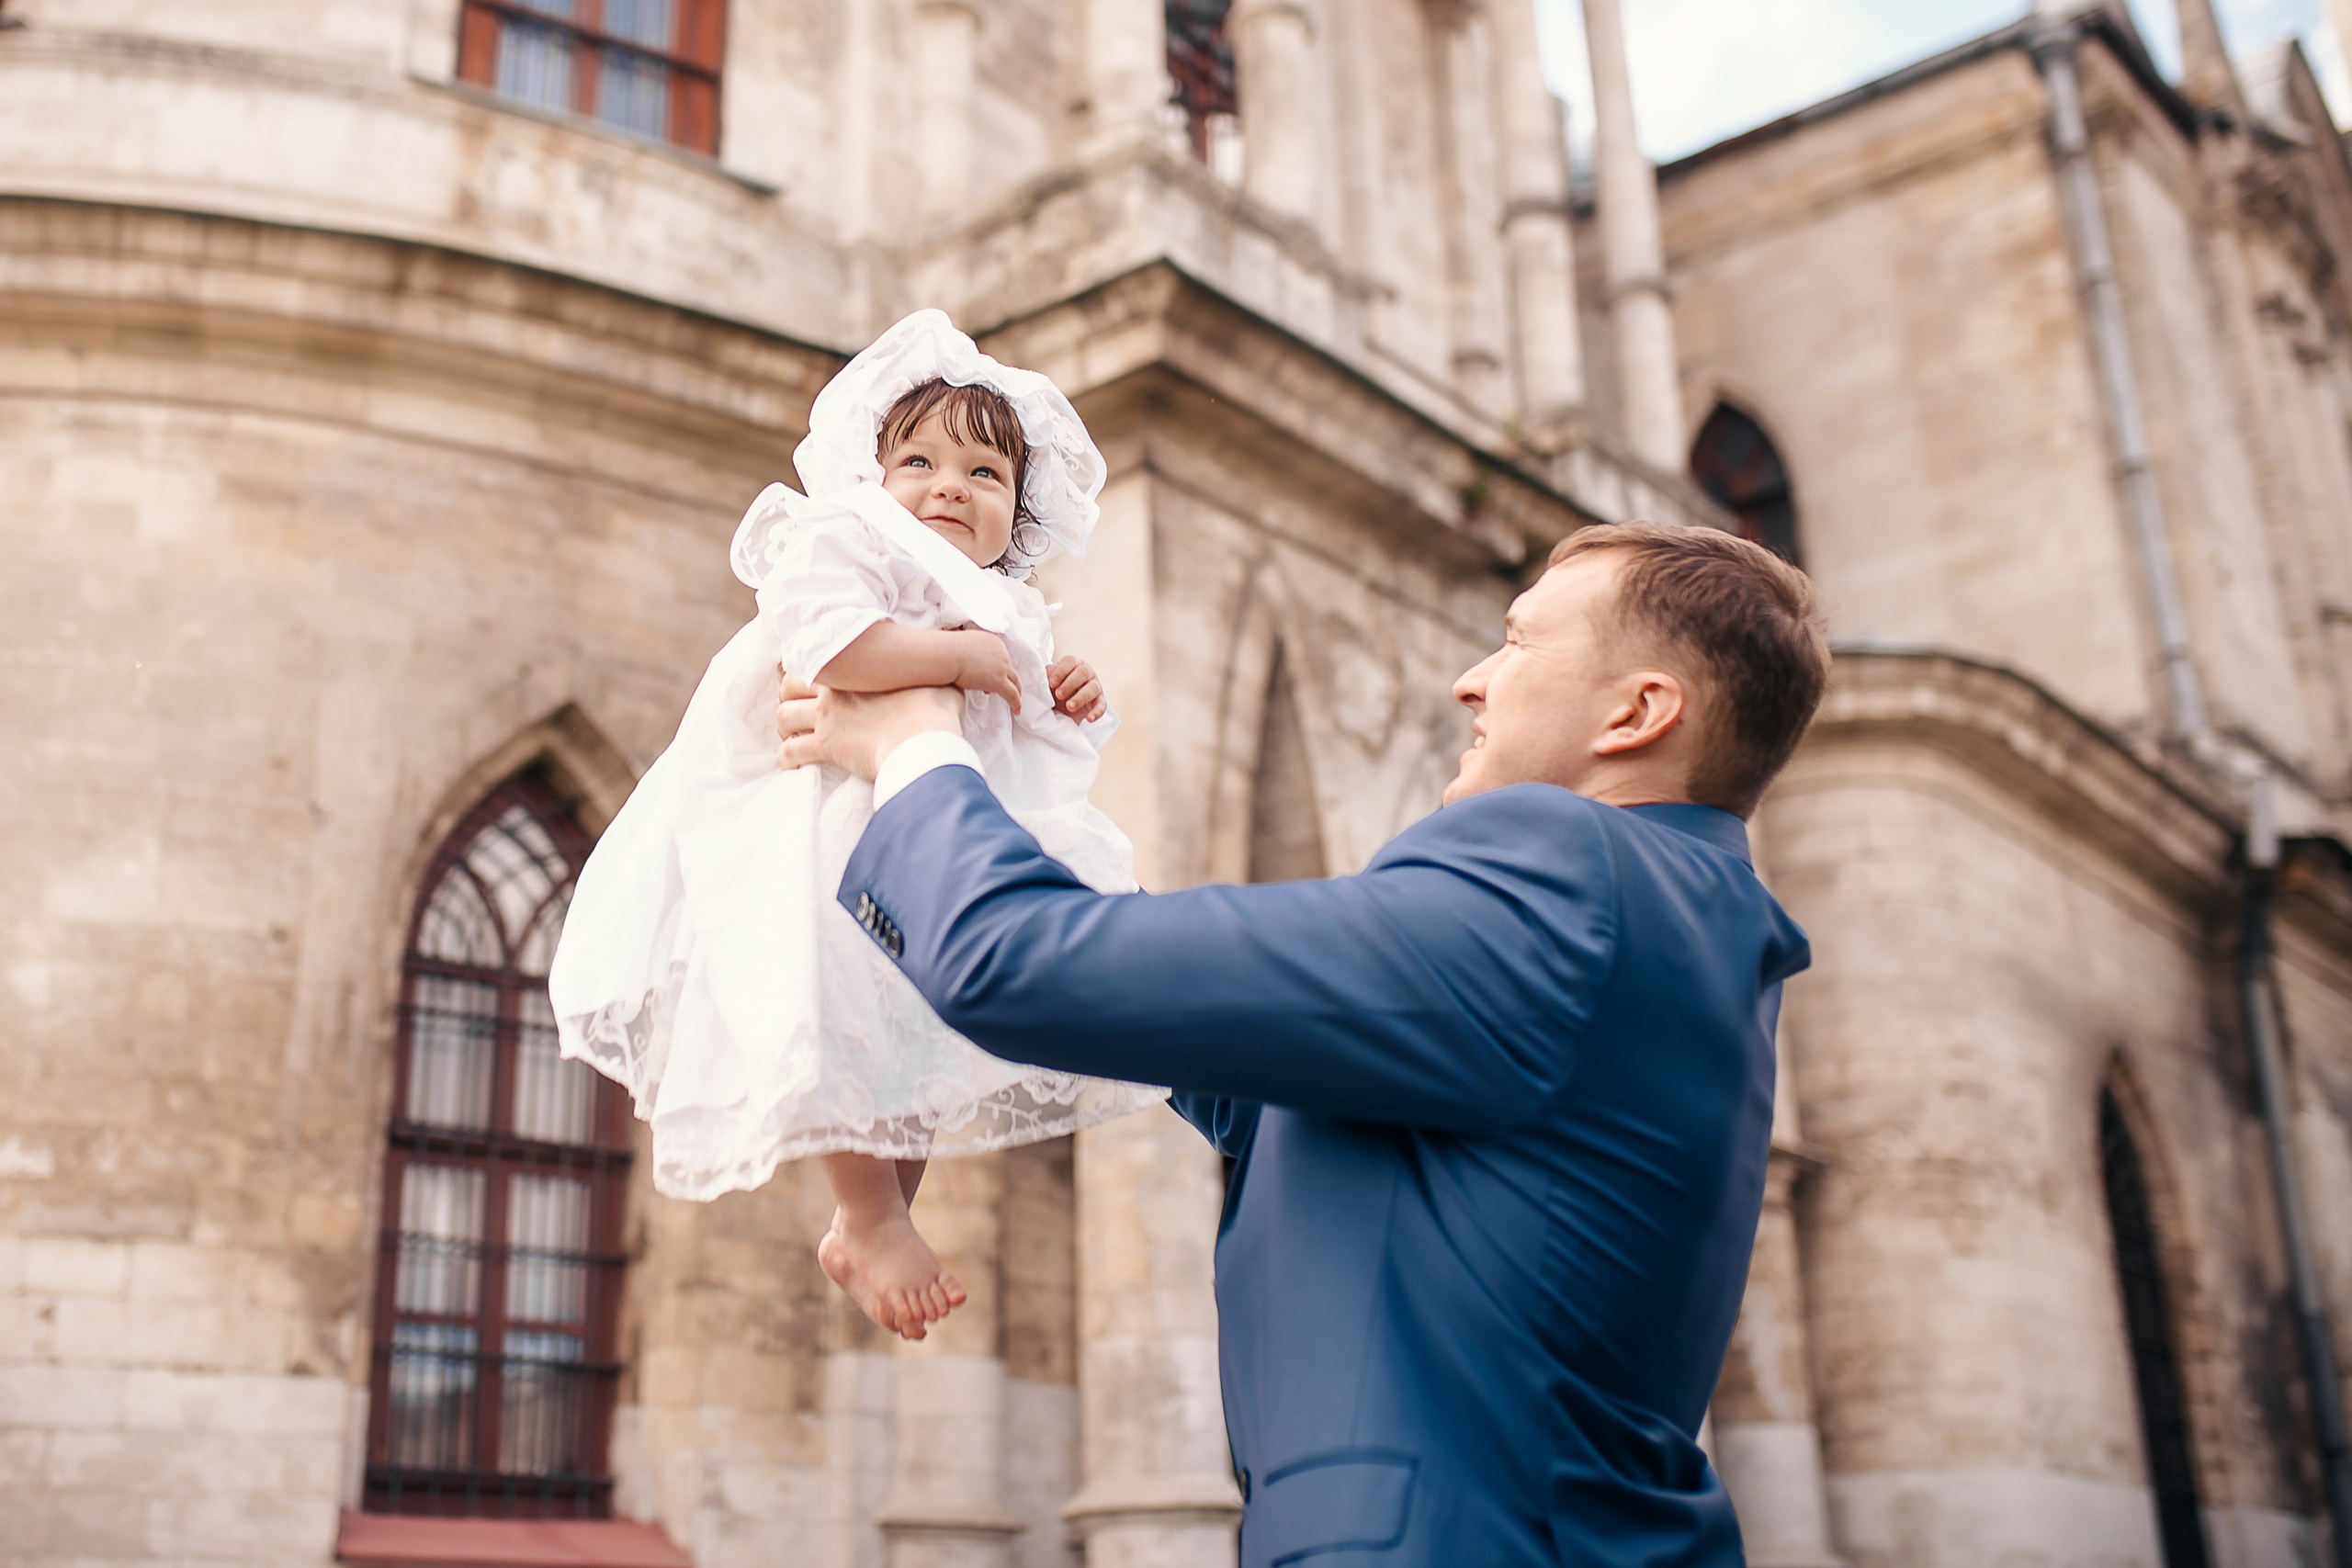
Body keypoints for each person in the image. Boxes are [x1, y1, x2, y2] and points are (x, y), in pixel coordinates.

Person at [775, 521, 1832, 1564]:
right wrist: (1003, 814)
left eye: (1517, 643)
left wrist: (912, 743)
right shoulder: (1681, 914)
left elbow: (1012, 962)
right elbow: (1255, 1080)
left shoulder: (1570, 866)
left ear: (1638, 712)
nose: (1472, 681)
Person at [548, 310, 1163, 1344]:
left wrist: (1061, 678)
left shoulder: (1006, 601)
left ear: (1019, 515)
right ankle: (868, 1212)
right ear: (872, 480)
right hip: (824, 805)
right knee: (840, 989)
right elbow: (835, 652)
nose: (948, 487)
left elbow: (1034, 710)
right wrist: (965, 661)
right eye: (917, 460)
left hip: (936, 815)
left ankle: (876, 1215)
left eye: (983, 476)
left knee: (917, 1034)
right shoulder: (845, 540)